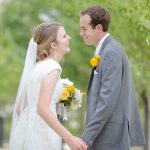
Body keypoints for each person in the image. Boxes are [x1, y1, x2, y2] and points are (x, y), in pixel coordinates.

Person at [9, 22, 87, 150]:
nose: (69, 38)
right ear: (53, 44)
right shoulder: (53, 67)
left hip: (29, 134)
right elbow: (42, 108)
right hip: (44, 136)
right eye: (64, 36)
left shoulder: (36, 68)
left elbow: (19, 108)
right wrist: (69, 138)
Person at [80, 5, 145, 150]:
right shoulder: (108, 50)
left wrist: (86, 137)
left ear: (98, 28)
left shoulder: (110, 52)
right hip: (106, 135)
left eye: (84, 29)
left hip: (109, 137)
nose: (81, 33)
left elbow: (107, 101)